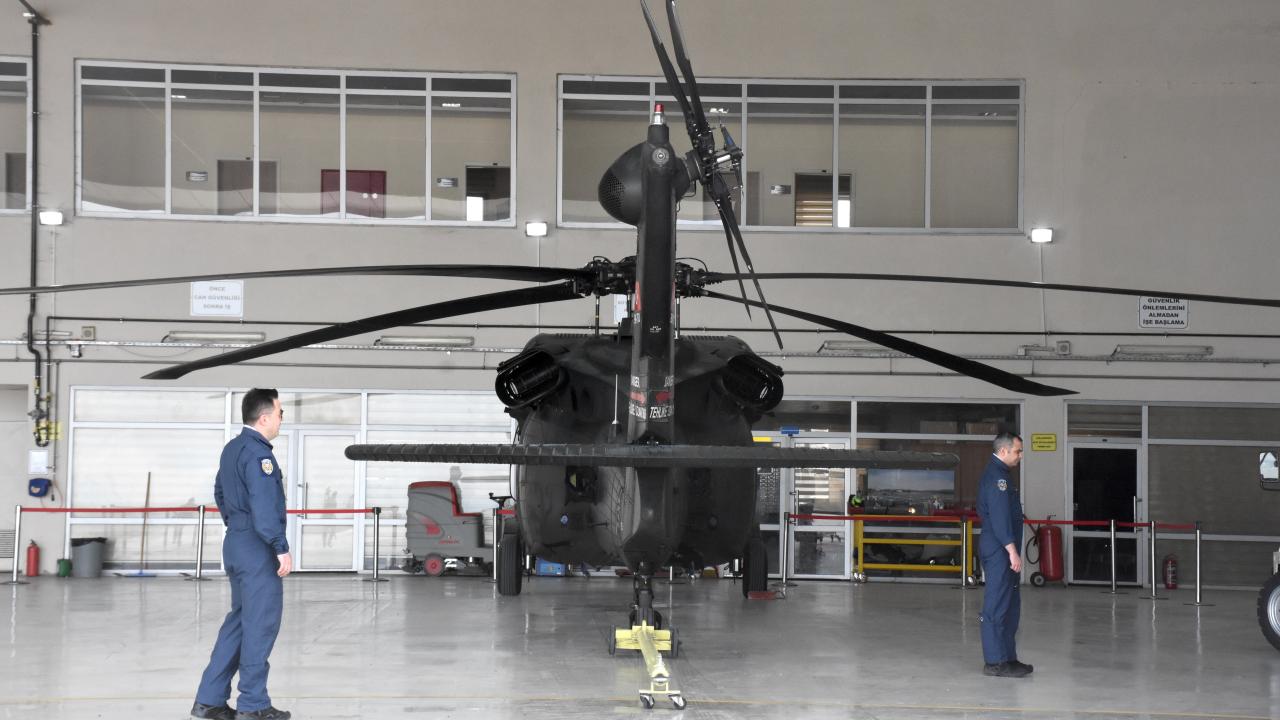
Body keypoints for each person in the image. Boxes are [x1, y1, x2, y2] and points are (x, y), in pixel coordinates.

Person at [192, 389, 293, 720]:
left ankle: (209, 701)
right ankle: (253, 704)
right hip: (256, 548)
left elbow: (219, 491)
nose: (281, 419)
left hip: (236, 542)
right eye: (280, 413)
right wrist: (279, 546)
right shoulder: (260, 455)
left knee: (238, 622)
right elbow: (264, 506)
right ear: (264, 418)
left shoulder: (232, 449)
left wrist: (236, 524)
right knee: (260, 625)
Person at [976, 431, 1033, 679]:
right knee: (997, 605)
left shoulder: (1003, 475)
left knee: (1010, 605)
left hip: (1004, 548)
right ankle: (995, 662)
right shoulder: (997, 479)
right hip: (999, 549)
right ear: (1003, 451)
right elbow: (999, 519)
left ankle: (1008, 658)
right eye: (1017, 451)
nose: (1020, 455)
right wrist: (1012, 551)